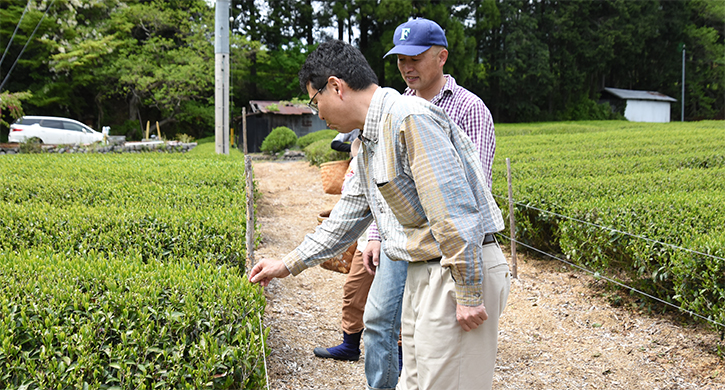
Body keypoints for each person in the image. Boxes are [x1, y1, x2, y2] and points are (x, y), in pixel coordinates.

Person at [249, 39, 508, 390]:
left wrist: (469, 291)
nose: (318, 113)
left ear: (336, 87)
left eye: (315, 101)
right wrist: (287, 264)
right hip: (422, 268)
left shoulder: (409, 119)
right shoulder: (372, 137)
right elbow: (346, 217)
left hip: (452, 269)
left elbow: (455, 213)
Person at [361, 18, 509, 390]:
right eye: (400, 60)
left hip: (444, 246)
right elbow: (386, 181)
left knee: (441, 360)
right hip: (403, 242)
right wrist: (377, 232)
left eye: (416, 57)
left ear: (442, 57)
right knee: (381, 322)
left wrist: (468, 286)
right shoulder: (396, 107)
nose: (407, 67)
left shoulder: (470, 108)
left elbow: (472, 194)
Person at [313, 133, 377, 362]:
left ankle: (399, 356)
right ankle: (350, 345)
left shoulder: (382, 146)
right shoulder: (356, 151)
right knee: (353, 290)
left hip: (385, 239)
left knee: (394, 301)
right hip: (365, 239)